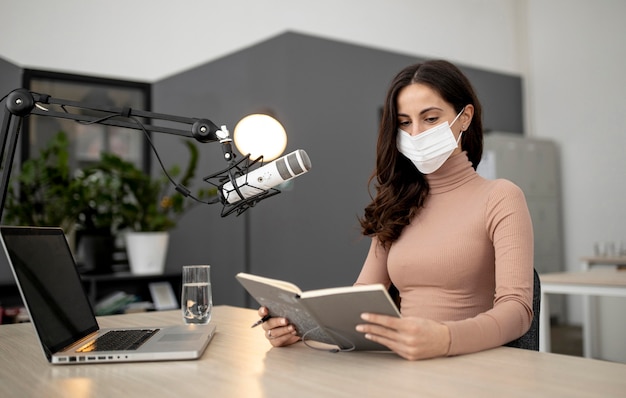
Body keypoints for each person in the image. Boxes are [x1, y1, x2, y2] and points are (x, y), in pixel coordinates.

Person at [257, 59, 534, 361]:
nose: (415, 133)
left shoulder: (501, 197)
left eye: (430, 119)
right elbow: (361, 295)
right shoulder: (398, 203)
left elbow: (517, 309)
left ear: (464, 117)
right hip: (402, 366)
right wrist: (300, 327)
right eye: (404, 122)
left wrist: (445, 339)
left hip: (470, 368)